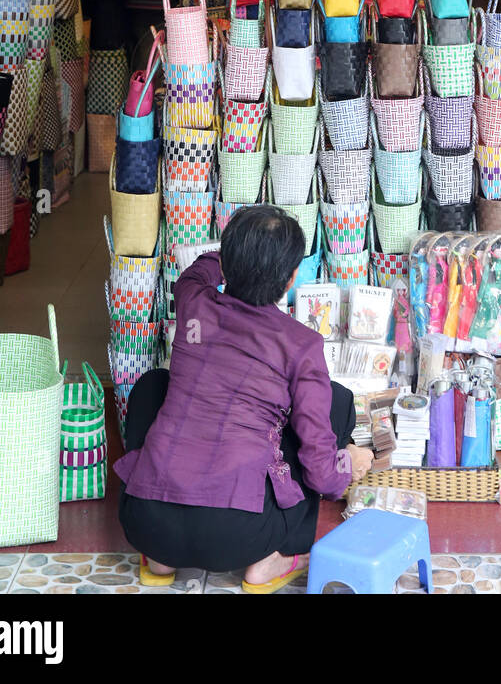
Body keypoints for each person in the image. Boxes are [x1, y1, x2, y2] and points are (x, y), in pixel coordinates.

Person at [115, 205, 374, 593]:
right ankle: (273, 561)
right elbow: (321, 472)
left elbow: (196, 271)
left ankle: (161, 559)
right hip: (239, 537)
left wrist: (238, 257)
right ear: (290, 279)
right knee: (335, 402)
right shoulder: (301, 345)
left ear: (228, 261)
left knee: (153, 384)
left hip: (144, 521)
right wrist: (347, 466)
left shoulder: (193, 302)